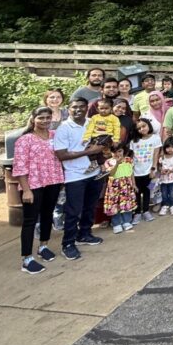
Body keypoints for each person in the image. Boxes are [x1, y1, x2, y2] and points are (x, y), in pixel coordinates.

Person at [13, 107, 65, 274]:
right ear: (33, 119)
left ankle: (43, 246)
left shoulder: (54, 136)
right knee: (30, 220)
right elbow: (19, 166)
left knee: (47, 215)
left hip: (53, 181)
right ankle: (26, 259)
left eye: (47, 118)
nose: (44, 121)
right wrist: (26, 190)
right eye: (41, 118)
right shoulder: (25, 140)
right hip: (33, 184)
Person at [53, 99, 106, 260]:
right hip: (74, 175)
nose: (78, 110)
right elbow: (61, 155)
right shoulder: (63, 128)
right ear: (68, 109)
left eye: (82, 107)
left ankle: (84, 234)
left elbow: (103, 140)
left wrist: (101, 152)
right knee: (73, 211)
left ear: (87, 108)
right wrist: (88, 152)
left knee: (90, 206)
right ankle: (68, 243)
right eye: (74, 107)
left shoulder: (93, 122)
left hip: (94, 172)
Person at [130, 117, 160, 223]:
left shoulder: (155, 138)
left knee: (148, 191)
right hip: (136, 172)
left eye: (144, 126)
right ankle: (137, 213)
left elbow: (156, 154)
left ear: (148, 125)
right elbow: (131, 157)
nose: (142, 129)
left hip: (149, 171)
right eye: (139, 128)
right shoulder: (134, 141)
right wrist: (131, 172)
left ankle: (146, 211)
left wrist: (153, 169)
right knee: (136, 193)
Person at [103, 143, 137, 234]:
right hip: (114, 187)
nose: (117, 154)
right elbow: (111, 174)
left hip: (126, 185)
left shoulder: (129, 160)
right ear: (110, 152)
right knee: (115, 205)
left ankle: (126, 222)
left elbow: (131, 172)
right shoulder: (108, 162)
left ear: (123, 151)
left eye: (119, 151)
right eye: (114, 152)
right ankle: (116, 223)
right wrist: (117, 164)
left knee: (127, 203)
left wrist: (134, 184)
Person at [157, 137, 173, 215]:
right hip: (163, 179)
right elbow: (159, 166)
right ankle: (165, 206)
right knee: (164, 194)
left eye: (172, 147)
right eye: (168, 147)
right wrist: (161, 170)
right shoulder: (162, 157)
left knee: (172, 193)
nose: (170, 149)